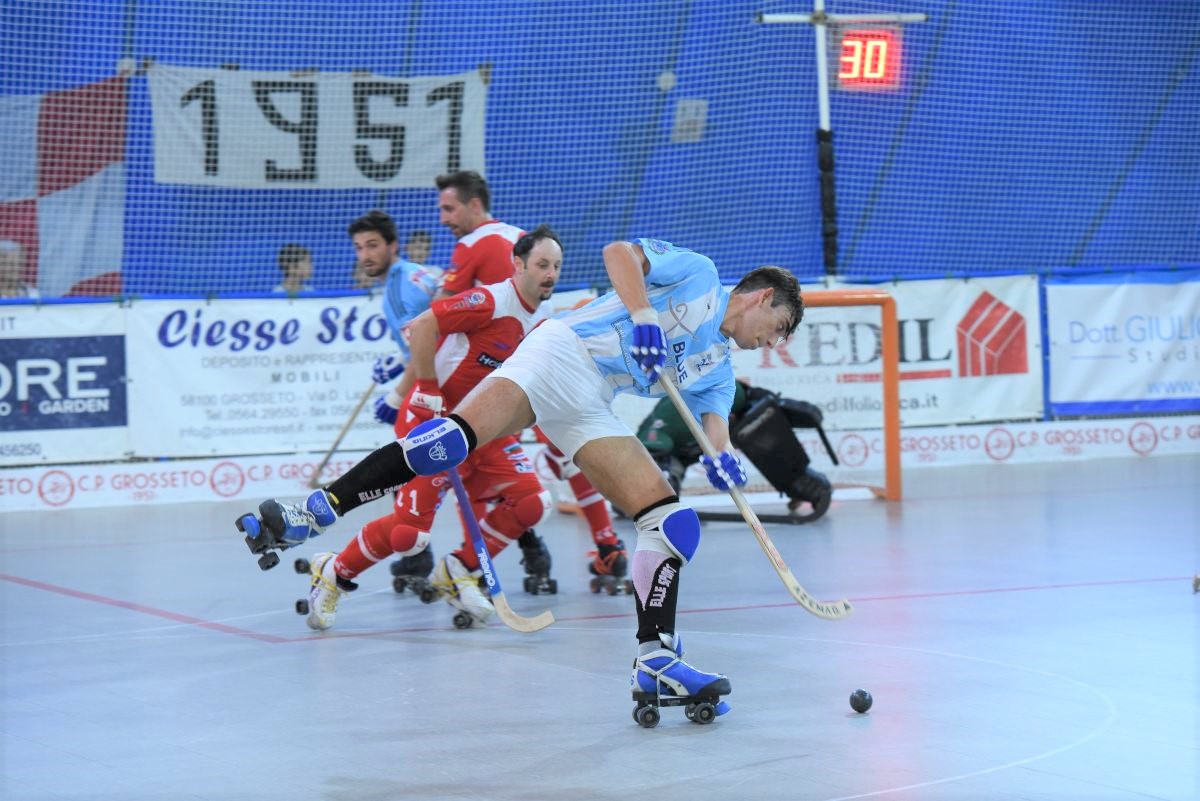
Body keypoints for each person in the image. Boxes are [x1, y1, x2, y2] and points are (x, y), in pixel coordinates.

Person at [237, 237, 804, 721]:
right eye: (777, 328)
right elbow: (619, 254)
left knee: (671, 521)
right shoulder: (699, 274)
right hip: (561, 352)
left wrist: (722, 460)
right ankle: (310, 513)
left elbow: (713, 430)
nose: (772, 343)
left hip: (593, 400)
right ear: (760, 298)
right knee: (448, 442)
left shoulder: (719, 367)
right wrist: (643, 316)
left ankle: (655, 659)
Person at [297, 226, 563, 631]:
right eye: (543, 264)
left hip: (486, 428)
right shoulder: (491, 300)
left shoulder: (546, 319)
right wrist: (425, 386)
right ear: (519, 264)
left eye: (557, 266)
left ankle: (459, 570)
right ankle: (333, 572)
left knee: (533, 503)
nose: (551, 274)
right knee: (409, 535)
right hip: (434, 421)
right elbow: (423, 325)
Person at [637, 379, 834, 522]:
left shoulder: (723, 392)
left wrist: (770, 404)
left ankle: (799, 481)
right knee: (660, 469)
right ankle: (800, 482)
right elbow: (652, 445)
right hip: (675, 445)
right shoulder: (664, 426)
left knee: (758, 419)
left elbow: (742, 394)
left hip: (700, 427)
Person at [433, 170, 524, 299]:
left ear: (475, 205)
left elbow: (442, 305)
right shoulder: (522, 236)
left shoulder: (471, 244)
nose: (443, 220)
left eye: (449, 209)